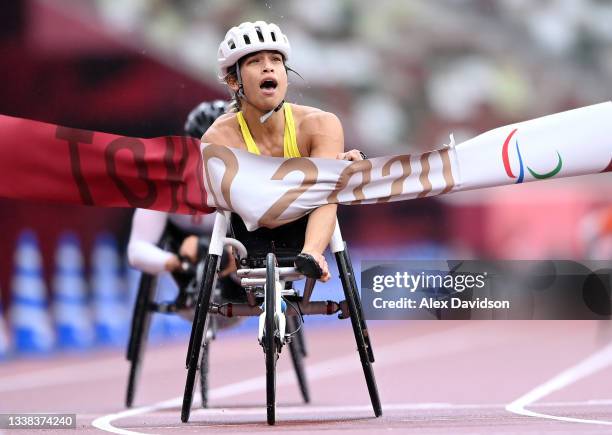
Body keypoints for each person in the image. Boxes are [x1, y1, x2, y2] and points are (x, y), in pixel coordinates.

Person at [203, 21, 366, 282]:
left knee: (329, 188)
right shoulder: (219, 136)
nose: (268, 66)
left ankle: (312, 255)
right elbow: (243, 207)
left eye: (276, 60)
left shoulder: (320, 124)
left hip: (307, 227)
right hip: (250, 232)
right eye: (255, 61)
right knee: (326, 182)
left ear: (285, 75)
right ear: (233, 81)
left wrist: (341, 170)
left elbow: (326, 193)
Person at [127, 100, 241, 300]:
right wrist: (175, 261)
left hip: (237, 266)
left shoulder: (249, 183)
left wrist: (237, 259)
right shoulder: (166, 182)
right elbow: (136, 250)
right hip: (184, 262)